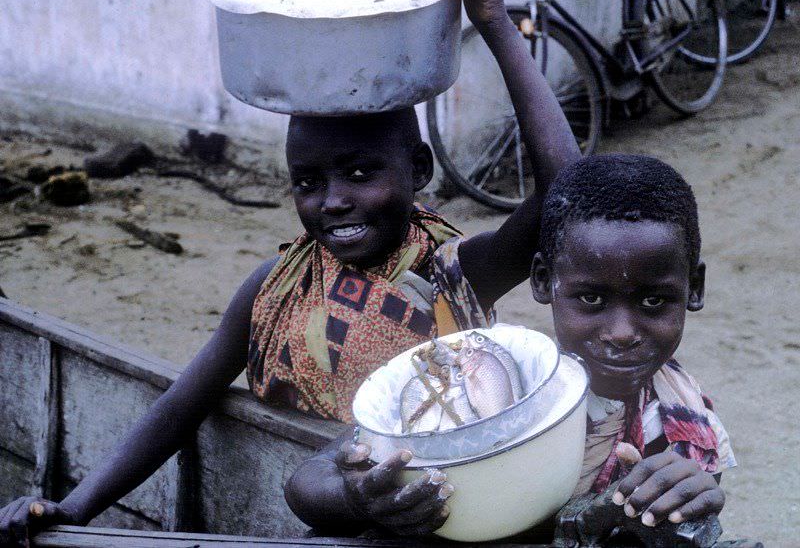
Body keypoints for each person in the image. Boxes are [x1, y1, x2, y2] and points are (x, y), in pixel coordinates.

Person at [0, 0, 581, 545]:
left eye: (360, 174)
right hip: (312, 512)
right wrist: (73, 508)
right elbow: (181, 406)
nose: (332, 201)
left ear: (419, 169)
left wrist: (494, 23)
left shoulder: (453, 272)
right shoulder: (275, 286)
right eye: (308, 182)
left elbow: (565, 191)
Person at [286, 154, 737, 540]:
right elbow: (306, 483)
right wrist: (358, 498)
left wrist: (695, 501)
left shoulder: (687, 420)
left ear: (693, 289)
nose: (621, 331)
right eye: (591, 299)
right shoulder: (495, 380)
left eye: (653, 300)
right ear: (543, 280)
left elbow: (680, 527)